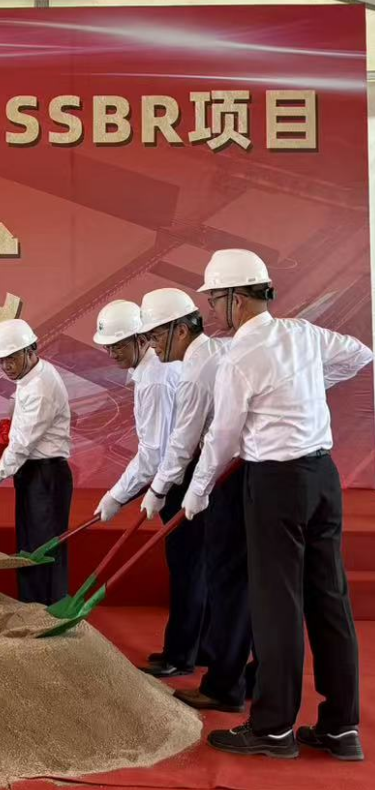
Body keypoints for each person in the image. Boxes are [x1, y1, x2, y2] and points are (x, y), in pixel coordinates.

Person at [180, 249, 371, 761]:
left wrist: (198, 491)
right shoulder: (302, 334)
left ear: (236, 298)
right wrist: (306, 386)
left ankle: (273, 728)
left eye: (215, 299)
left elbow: (223, 439)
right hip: (322, 479)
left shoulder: (237, 358)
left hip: (275, 485)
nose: (212, 309)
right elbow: (360, 354)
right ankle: (340, 728)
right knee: (329, 600)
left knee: (275, 605)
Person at [139, 286, 249, 698]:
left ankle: (218, 674)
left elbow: (183, 444)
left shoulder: (197, 371)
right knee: (214, 571)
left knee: (219, 575)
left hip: (227, 476)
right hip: (221, 471)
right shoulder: (210, 354)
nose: (151, 345)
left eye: (155, 335)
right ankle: (211, 657)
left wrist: (159, 489)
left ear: (180, 330)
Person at [91, 299, 205, 680]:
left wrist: (117, 495)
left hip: (180, 477)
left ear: (140, 339)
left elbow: (153, 454)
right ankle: (197, 648)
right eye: (108, 347)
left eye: (118, 345)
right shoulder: (149, 371)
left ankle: (182, 654)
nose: (112, 353)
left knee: (187, 566)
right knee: (192, 565)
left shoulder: (156, 379)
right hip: (177, 473)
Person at [0, 318, 72, 605]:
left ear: (30, 350)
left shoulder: (40, 386)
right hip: (32, 472)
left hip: (46, 475)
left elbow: (21, 446)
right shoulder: (30, 376)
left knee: (42, 552)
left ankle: (46, 613)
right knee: (29, 549)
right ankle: (30, 608)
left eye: (12, 358)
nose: (6, 366)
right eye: (1, 360)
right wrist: (12, 421)